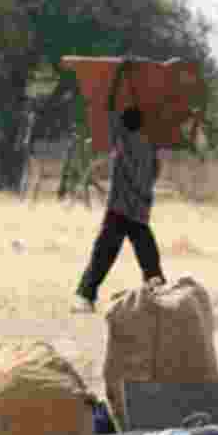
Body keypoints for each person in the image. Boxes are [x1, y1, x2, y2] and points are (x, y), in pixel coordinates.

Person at [73, 103, 165, 313]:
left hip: (119, 207)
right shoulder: (150, 147)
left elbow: (109, 116)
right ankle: (157, 288)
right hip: (140, 208)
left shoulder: (123, 141)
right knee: (146, 251)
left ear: (124, 124)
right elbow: (155, 173)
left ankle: (85, 296)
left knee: (103, 253)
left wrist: (112, 94)